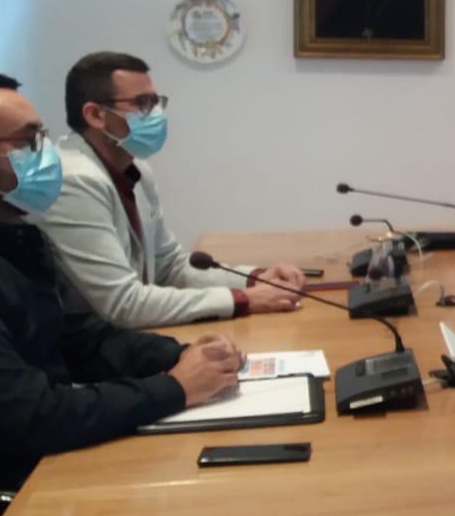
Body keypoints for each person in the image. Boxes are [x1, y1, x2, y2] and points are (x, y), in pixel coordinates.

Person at [0, 73, 244, 516]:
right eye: (27, 141)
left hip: (47, 471)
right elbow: (31, 415)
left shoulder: (11, 233)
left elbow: (82, 338)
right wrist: (174, 388)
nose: (47, 154)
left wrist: (178, 354)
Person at [37, 52, 306, 327]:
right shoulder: (72, 181)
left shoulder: (136, 168)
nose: (156, 114)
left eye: (156, 102)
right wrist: (242, 299)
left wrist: (255, 279)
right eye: (142, 104)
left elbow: (170, 266)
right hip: (88, 346)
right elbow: (123, 303)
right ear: (96, 115)